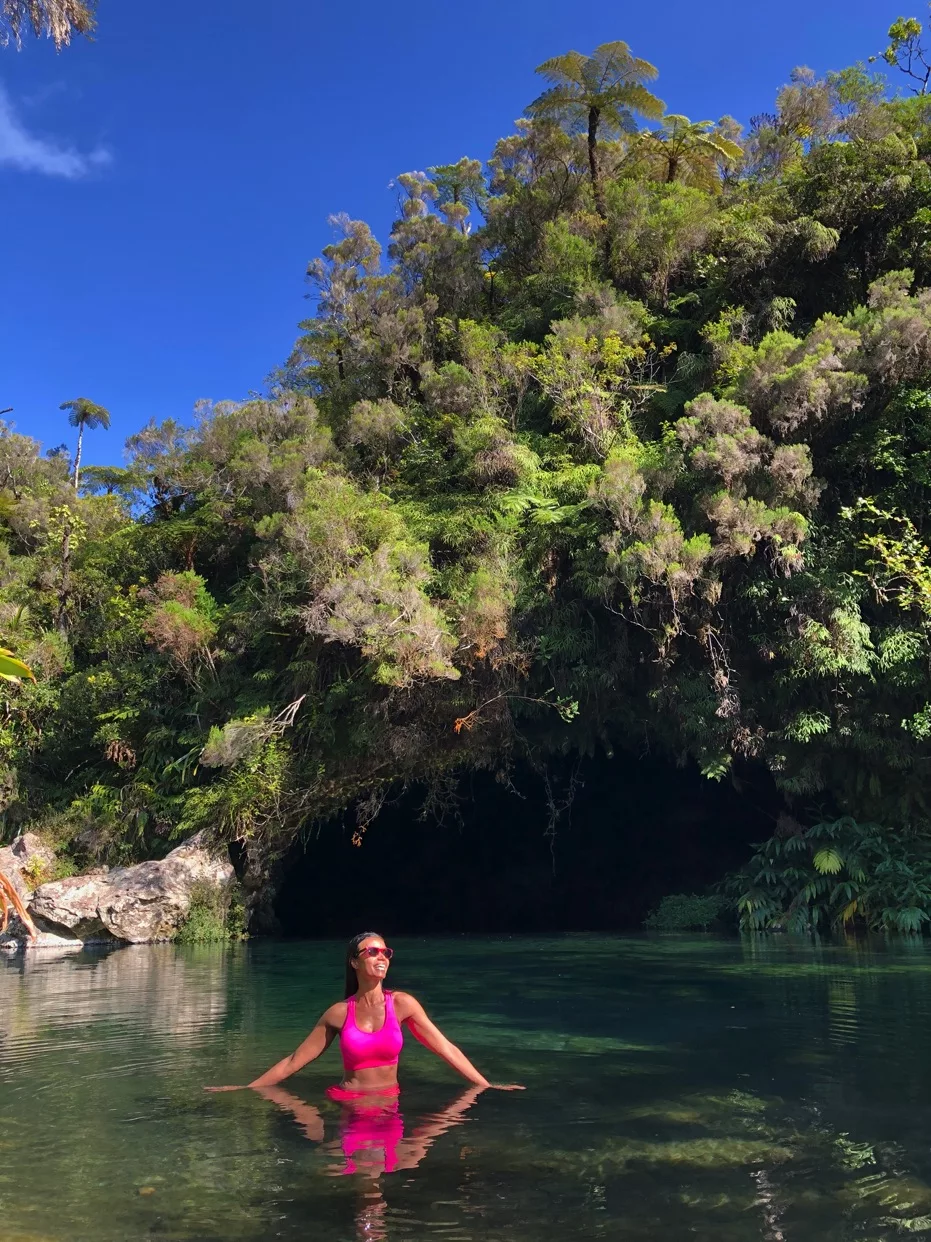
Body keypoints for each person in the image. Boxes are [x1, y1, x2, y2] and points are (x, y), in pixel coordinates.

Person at [205, 931, 523, 1099]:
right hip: (349, 1102)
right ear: (354, 963)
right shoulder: (339, 1013)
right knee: (356, 1173)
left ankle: (372, 1222)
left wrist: (486, 1086)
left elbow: (446, 1048)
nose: (381, 955)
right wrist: (247, 1089)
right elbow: (293, 1061)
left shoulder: (403, 1004)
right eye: (371, 951)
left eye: (385, 951)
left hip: (389, 1103)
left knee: (399, 1164)